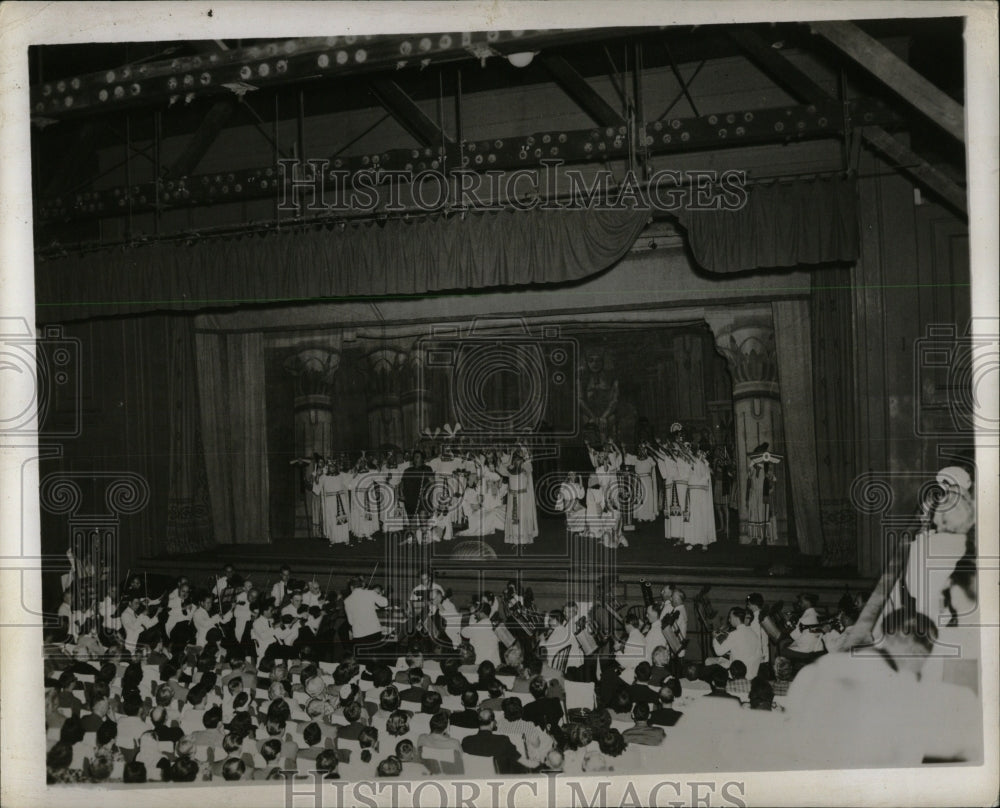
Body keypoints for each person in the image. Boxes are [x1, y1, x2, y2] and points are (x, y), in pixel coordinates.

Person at [708, 607, 762, 680]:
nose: (729, 620)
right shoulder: (754, 633)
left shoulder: (735, 634)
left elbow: (718, 652)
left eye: (730, 617)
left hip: (739, 674)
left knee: (709, 662)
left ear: (735, 617)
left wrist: (714, 638)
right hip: (753, 674)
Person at [343, 576, 388, 660]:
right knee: (376, 658)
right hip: (374, 631)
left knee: (363, 659)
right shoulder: (370, 593)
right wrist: (374, 593)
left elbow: (351, 622)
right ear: (362, 585)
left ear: (351, 587)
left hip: (359, 634)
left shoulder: (347, 600)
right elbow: (385, 603)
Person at [499, 447, 538, 545]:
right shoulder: (509, 470)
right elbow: (501, 469)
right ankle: (515, 539)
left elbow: (529, 465)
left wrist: (525, 454)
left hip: (523, 498)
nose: (517, 462)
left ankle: (523, 539)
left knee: (522, 517)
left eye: (519, 459)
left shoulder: (526, 468)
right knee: (514, 519)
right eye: (515, 459)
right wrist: (511, 455)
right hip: (513, 498)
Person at [314, 460, 353, 547]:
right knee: (332, 519)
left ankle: (346, 539)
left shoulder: (341, 475)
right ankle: (333, 539)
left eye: (334, 466)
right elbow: (317, 487)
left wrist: (355, 471)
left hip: (341, 500)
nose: (332, 468)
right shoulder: (324, 477)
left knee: (343, 520)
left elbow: (350, 479)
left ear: (336, 467)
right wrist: (317, 475)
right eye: (330, 467)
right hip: (330, 502)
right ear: (328, 468)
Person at [400, 451, 435, 543]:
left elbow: (432, 484)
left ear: (422, 459)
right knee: (412, 519)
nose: (416, 459)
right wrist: (401, 495)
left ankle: (424, 537)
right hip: (410, 498)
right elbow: (402, 484)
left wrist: (430, 497)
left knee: (423, 517)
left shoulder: (427, 469)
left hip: (422, 498)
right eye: (415, 457)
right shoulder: (407, 470)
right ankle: (414, 538)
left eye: (418, 457)